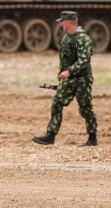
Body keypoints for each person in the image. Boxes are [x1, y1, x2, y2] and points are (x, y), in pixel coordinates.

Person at [33, 11, 97, 146]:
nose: (61, 24)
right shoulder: (66, 39)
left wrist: (69, 71)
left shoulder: (83, 39)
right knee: (56, 103)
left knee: (85, 108)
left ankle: (92, 137)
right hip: (69, 79)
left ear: (68, 22)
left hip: (82, 79)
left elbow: (84, 60)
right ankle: (50, 136)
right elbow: (63, 61)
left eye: (62, 21)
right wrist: (61, 74)